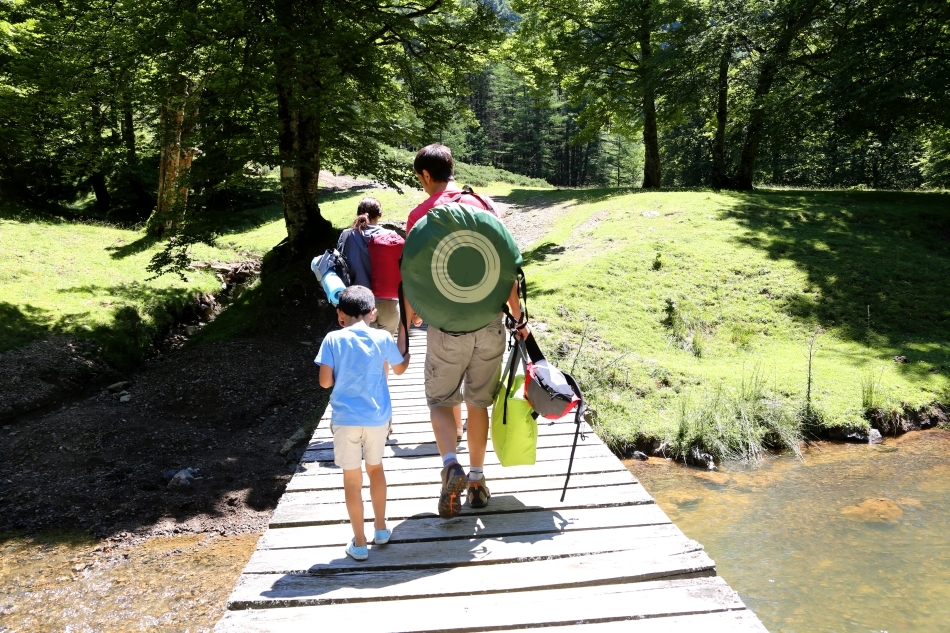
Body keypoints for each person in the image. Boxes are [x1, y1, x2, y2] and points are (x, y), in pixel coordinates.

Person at [405, 143, 529, 519]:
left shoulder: (421, 215)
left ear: (427, 175)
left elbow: (411, 273)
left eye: (420, 179)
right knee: (479, 402)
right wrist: (518, 317)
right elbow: (504, 265)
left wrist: (411, 316)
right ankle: (476, 480)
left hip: (445, 327)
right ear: (452, 168)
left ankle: (450, 464)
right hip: (489, 323)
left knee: (441, 400)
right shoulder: (484, 205)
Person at [315, 285, 411, 560]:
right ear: (373, 313)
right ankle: (380, 529)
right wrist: (405, 351)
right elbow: (400, 369)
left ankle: (359, 542)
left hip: (346, 420)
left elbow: (324, 383)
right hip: (377, 418)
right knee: (376, 469)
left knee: (352, 481)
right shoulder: (381, 337)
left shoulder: (333, 339)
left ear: (340, 314)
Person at [336, 198, 401, 336]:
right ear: (379, 215)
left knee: (362, 352)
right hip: (388, 303)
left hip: (357, 305)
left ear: (358, 214)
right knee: (386, 352)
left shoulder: (347, 236)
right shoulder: (390, 236)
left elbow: (340, 268)